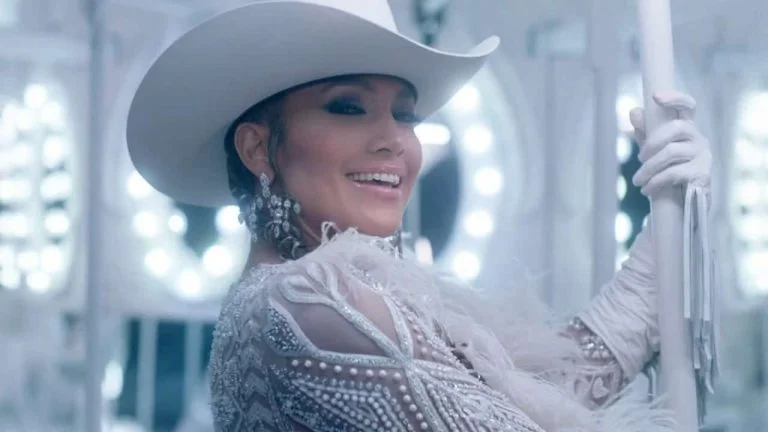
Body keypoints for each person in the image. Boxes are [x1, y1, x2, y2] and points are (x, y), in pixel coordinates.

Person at [126, 0, 714, 430]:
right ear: (258, 148)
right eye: (348, 107)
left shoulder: (300, 300)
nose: (394, 141)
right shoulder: (293, 305)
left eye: (405, 115)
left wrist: (669, 219)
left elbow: (552, 394)